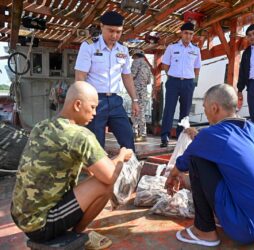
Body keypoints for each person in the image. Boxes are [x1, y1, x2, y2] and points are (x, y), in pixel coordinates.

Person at [11, 81, 133, 249]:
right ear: (77, 105)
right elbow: (110, 175)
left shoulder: (41, 126)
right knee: (105, 185)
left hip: (20, 215)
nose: (95, 113)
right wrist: (122, 155)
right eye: (92, 107)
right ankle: (76, 235)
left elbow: (56, 160)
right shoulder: (80, 135)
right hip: (41, 225)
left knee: (96, 176)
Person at [165, 84, 254, 246]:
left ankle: (204, 231)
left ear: (214, 108)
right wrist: (201, 139)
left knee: (197, 159)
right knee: (209, 155)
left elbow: (183, 162)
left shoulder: (210, 135)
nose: (205, 113)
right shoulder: (251, 128)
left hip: (246, 229)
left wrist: (172, 175)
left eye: (205, 108)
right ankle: (224, 217)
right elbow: (222, 143)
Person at [75, 11, 139, 151]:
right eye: (111, 31)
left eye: (118, 32)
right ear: (101, 26)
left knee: (127, 139)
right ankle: (97, 173)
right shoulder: (89, 46)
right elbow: (80, 76)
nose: (114, 35)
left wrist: (135, 100)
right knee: (96, 145)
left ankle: (131, 171)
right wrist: (83, 102)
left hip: (116, 102)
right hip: (95, 102)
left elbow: (126, 76)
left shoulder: (123, 49)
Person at [160, 22, 202, 147]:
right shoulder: (172, 47)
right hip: (173, 81)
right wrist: (172, 76)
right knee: (169, 110)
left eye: (190, 34)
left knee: (185, 112)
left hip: (188, 83)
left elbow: (197, 68)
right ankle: (165, 137)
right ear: (181, 33)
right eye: (186, 33)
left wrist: (193, 82)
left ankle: (181, 137)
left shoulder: (196, 50)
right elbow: (165, 65)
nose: (188, 36)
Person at [131, 49, 152, 142]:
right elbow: (149, 81)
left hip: (135, 89)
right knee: (142, 111)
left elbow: (131, 75)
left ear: (135, 56)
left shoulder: (136, 62)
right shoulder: (147, 65)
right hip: (144, 90)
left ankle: (135, 133)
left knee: (134, 111)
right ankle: (143, 134)